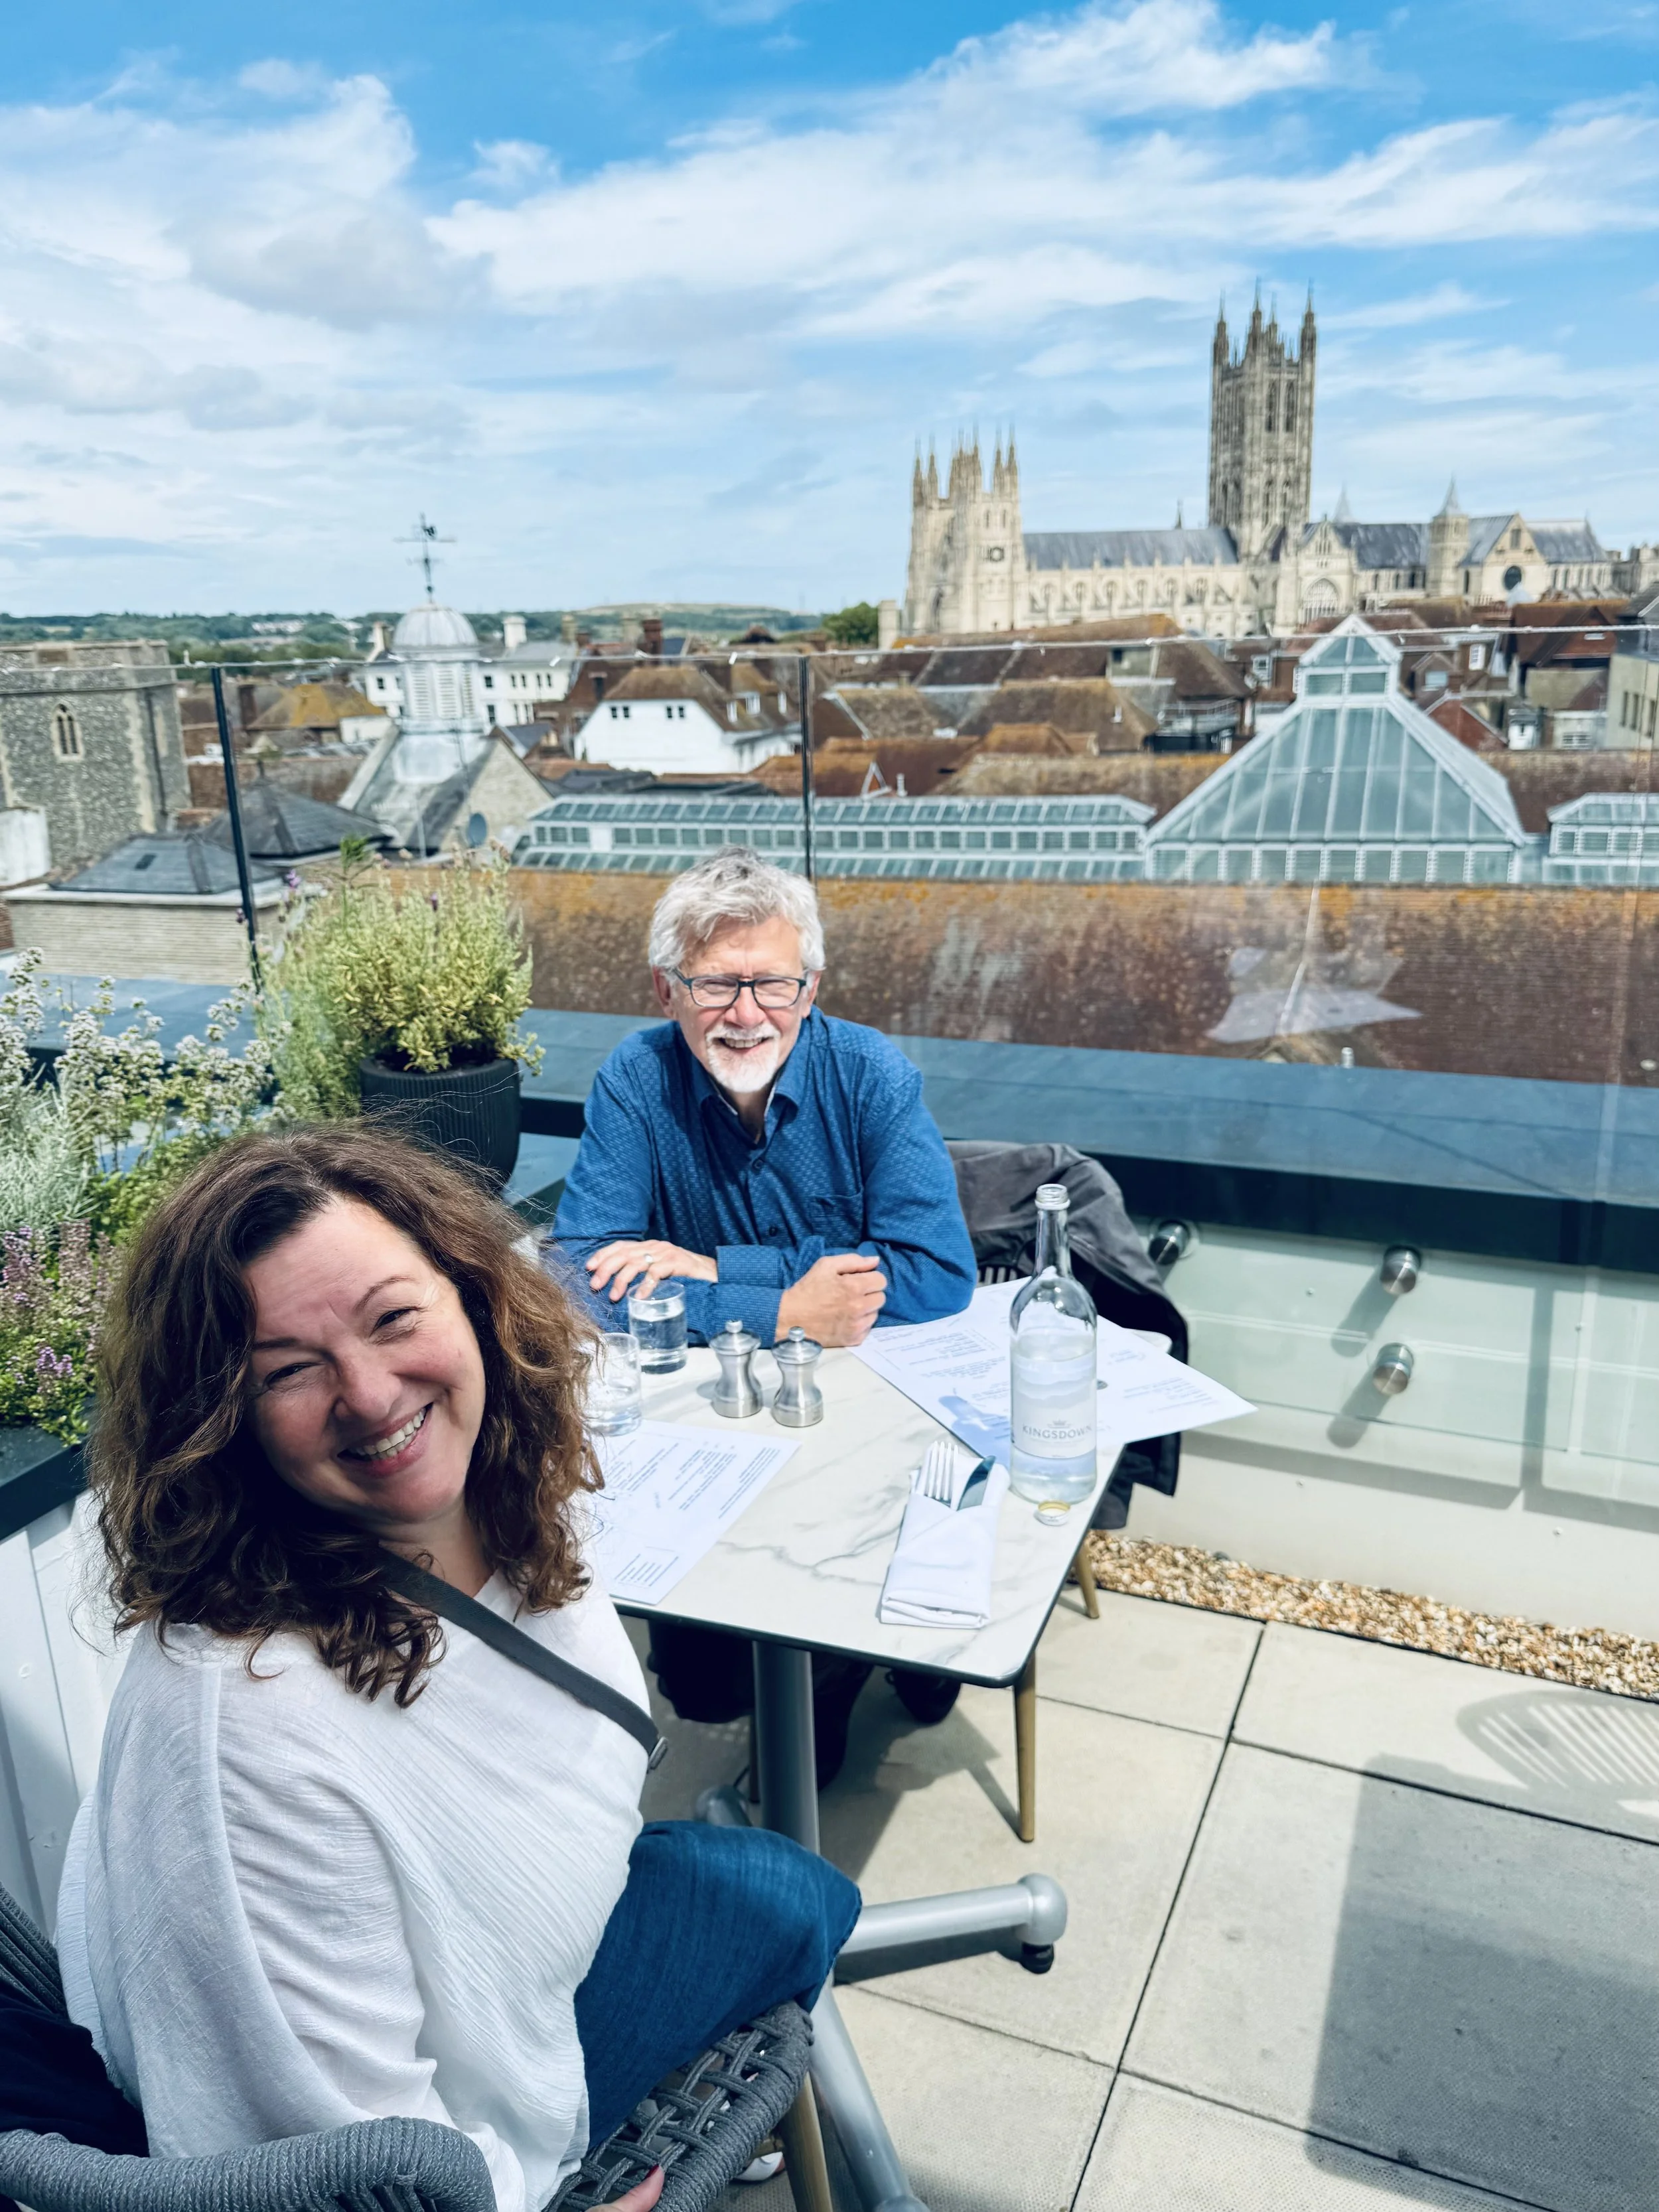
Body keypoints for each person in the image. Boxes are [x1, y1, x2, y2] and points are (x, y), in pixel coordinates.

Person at [55, 1126, 858, 2212]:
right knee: (792, 1889)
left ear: (473, 1294)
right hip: (471, 2134)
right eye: (290, 1368)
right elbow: (343, 2159)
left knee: (759, 1880)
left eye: (395, 1318)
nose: (374, 1395)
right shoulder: (247, 1725)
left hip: (531, 1967)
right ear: (221, 1421)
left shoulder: (492, 1490)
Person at [546, 846, 977, 1771]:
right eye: (714, 986)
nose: (746, 1014)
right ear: (667, 991)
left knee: (843, 1708)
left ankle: (858, 1675)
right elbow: (577, 1274)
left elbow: (938, 1270)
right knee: (701, 1690)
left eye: (771, 984)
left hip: (863, 1408)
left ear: (811, 987)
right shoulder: (636, 1077)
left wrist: (709, 1266)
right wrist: (784, 1300)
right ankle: (815, 1684)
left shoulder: (871, 1075)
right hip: (718, 1414)